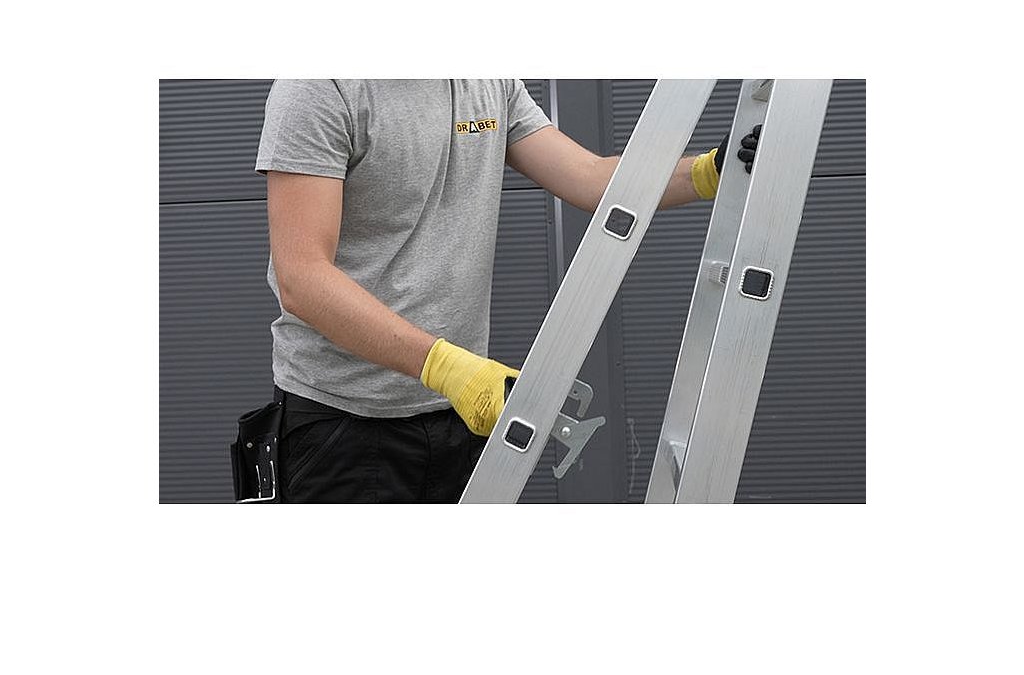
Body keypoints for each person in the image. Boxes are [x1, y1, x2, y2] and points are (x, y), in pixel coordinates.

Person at [254, 79, 759, 503]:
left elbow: (591, 179)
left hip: (457, 412)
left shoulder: (487, 80)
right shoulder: (320, 89)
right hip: (343, 424)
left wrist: (707, 171)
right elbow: (303, 277)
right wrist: (448, 368)